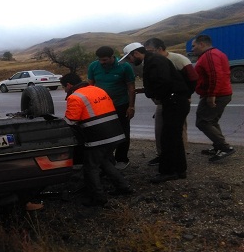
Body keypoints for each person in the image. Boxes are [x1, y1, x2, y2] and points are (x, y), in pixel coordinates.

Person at [120, 42, 191, 183]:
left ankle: (168, 171)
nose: (130, 62)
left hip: (174, 102)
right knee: (174, 138)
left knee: (168, 139)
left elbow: (162, 82)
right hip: (175, 101)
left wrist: (149, 92)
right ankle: (180, 170)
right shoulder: (153, 60)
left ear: (135, 53)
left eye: (129, 58)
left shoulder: (154, 61)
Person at [61, 72, 131, 207]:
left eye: (64, 87)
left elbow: (71, 121)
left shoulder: (75, 97)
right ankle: (124, 187)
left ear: (69, 85)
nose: (65, 90)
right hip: (115, 133)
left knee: (90, 167)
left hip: (98, 138)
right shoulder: (97, 89)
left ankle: (98, 198)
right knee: (105, 162)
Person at [143, 38, 199, 166]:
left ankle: (178, 157)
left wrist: (186, 94)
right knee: (161, 129)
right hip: (163, 101)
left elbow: (193, 78)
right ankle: (163, 155)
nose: (148, 54)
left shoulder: (178, 59)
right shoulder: (153, 61)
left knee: (176, 130)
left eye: (150, 51)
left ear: (159, 49)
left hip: (177, 99)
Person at [87, 46, 136, 170]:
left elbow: (131, 88)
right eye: (100, 60)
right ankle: (108, 159)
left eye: (105, 60)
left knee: (123, 132)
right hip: (101, 106)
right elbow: (90, 86)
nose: (102, 62)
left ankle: (122, 159)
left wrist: (131, 107)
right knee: (104, 132)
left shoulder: (124, 66)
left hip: (121, 104)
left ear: (112, 56)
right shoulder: (93, 66)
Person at [191, 34, 236, 161]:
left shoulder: (210, 55)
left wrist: (211, 95)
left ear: (202, 44)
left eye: (194, 46)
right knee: (211, 121)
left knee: (203, 122)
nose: (192, 49)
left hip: (217, 94)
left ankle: (224, 147)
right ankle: (218, 146)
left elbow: (215, 76)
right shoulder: (215, 54)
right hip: (220, 93)